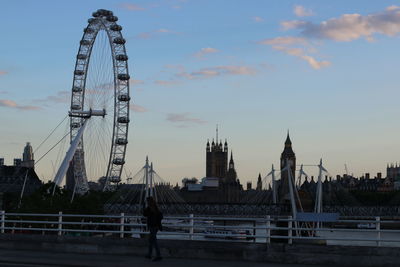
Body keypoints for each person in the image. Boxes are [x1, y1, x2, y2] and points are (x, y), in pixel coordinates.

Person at [143, 196, 163, 261]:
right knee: (151, 240)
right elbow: (161, 216)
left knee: (154, 241)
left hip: (152, 226)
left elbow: (144, 214)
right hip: (156, 226)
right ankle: (149, 254)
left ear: (149, 201)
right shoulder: (156, 207)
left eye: (147, 201)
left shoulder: (149, 208)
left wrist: (144, 207)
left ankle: (158, 255)